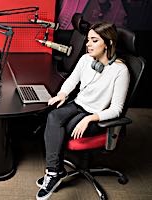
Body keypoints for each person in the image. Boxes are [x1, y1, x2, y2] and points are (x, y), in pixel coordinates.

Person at [35, 22, 130, 200]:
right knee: (53, 115)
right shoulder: (86, 59)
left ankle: (54, 173)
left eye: (94, 40)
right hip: (78, 104)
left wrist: (90, 119)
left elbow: (117, 110)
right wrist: (62, 94)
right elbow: (72, 80)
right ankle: (54, 172)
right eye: (88, 40)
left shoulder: (120, 71)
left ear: (108, 43)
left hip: (97, 116)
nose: (88, 44)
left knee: (66, 127)